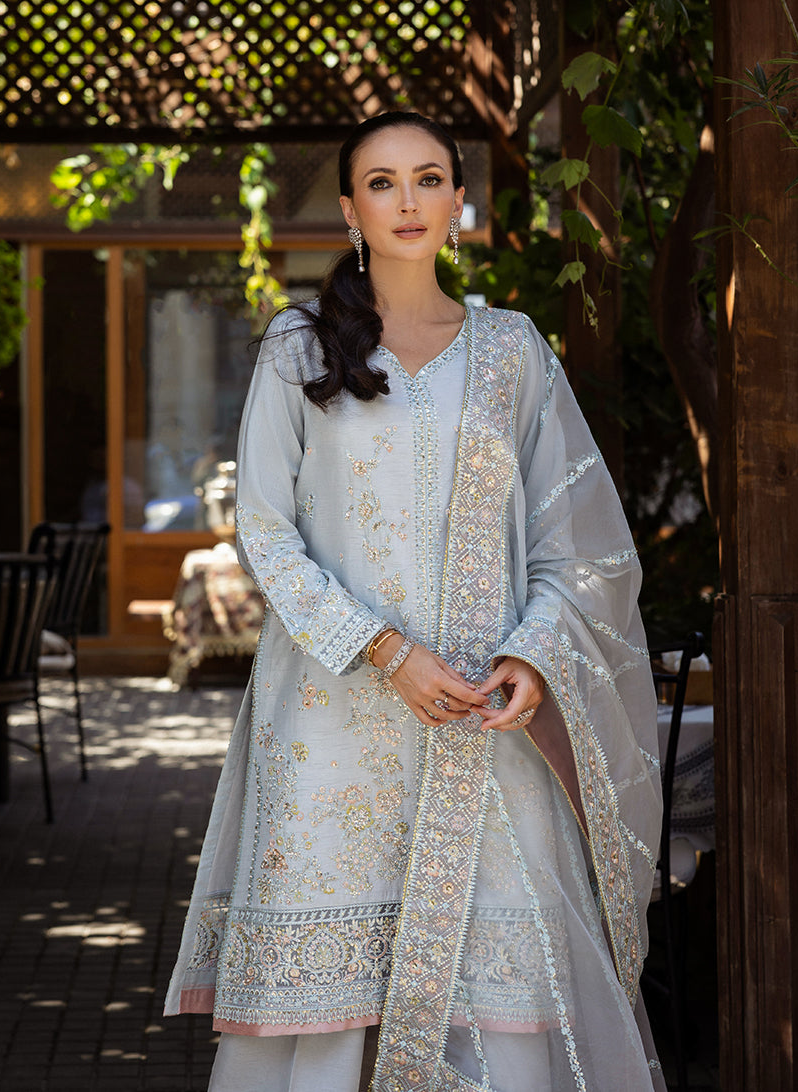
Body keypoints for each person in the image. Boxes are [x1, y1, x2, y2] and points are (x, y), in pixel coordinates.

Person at [165, 111, 665, 1092]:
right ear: (350, 210)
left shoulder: (512, 351)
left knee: (499, 997)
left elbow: (578, 541)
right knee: (327, 1004)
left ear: (458, 201)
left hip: (480, 723)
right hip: (331, 720)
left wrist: (532, 654)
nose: (408, 201)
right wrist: (386, 651)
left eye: (429, 178)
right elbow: (265, 531)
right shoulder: (299, 347)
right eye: (382, 183)